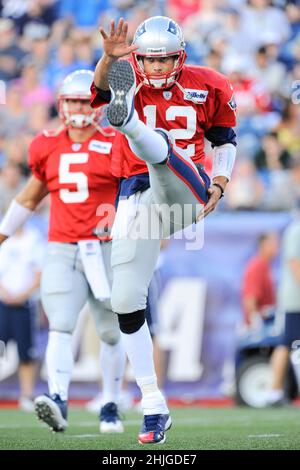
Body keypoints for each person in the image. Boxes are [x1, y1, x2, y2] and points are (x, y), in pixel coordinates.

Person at [91, 16, 237, 444]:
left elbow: (224, 139)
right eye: (149, 61)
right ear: (139, 58)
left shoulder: (209, 84)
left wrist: (222, 181)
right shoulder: (124, 71)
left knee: (161, 150)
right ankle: (154, 403)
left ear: (180, 56)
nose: (155, 68)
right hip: (135, 196)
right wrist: (107, 58)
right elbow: (99, 92)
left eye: (164, 60)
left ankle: (130, 124)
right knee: (124, 298)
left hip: (184, 187)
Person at [0, 69, 126, 433]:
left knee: (112, 332)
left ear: (98, 104)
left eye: (85, 100)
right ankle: (58, 401)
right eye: (72, 100)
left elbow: (136, 193)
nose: (79, 107)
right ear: (61, 104)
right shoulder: (46, 144)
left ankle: (111, 404)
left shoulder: (116, 143)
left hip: (105, 248)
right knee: (60, 324)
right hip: (63, 247)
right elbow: (30, 196)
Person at [0, 226, 44, 411]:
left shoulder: (34, 238)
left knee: (26, 353)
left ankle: (26, 395)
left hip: (25, 305)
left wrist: (21, 295)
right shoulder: (3, 236)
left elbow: (39, 274)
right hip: (2, 303)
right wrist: (4, 293)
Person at [267, 206, 300, 406]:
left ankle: (275, 390)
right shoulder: (296, 230)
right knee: (287, 344)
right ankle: (274, 390)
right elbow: (294, 263)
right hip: (294, 300)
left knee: (287, 344)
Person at [241, 232, 279, 329]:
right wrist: (256, 322)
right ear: (264, 245)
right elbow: (250, 298)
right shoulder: (257, 266)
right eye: (274, 244)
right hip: (259, 330)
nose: (277, 248)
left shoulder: (266, 266)